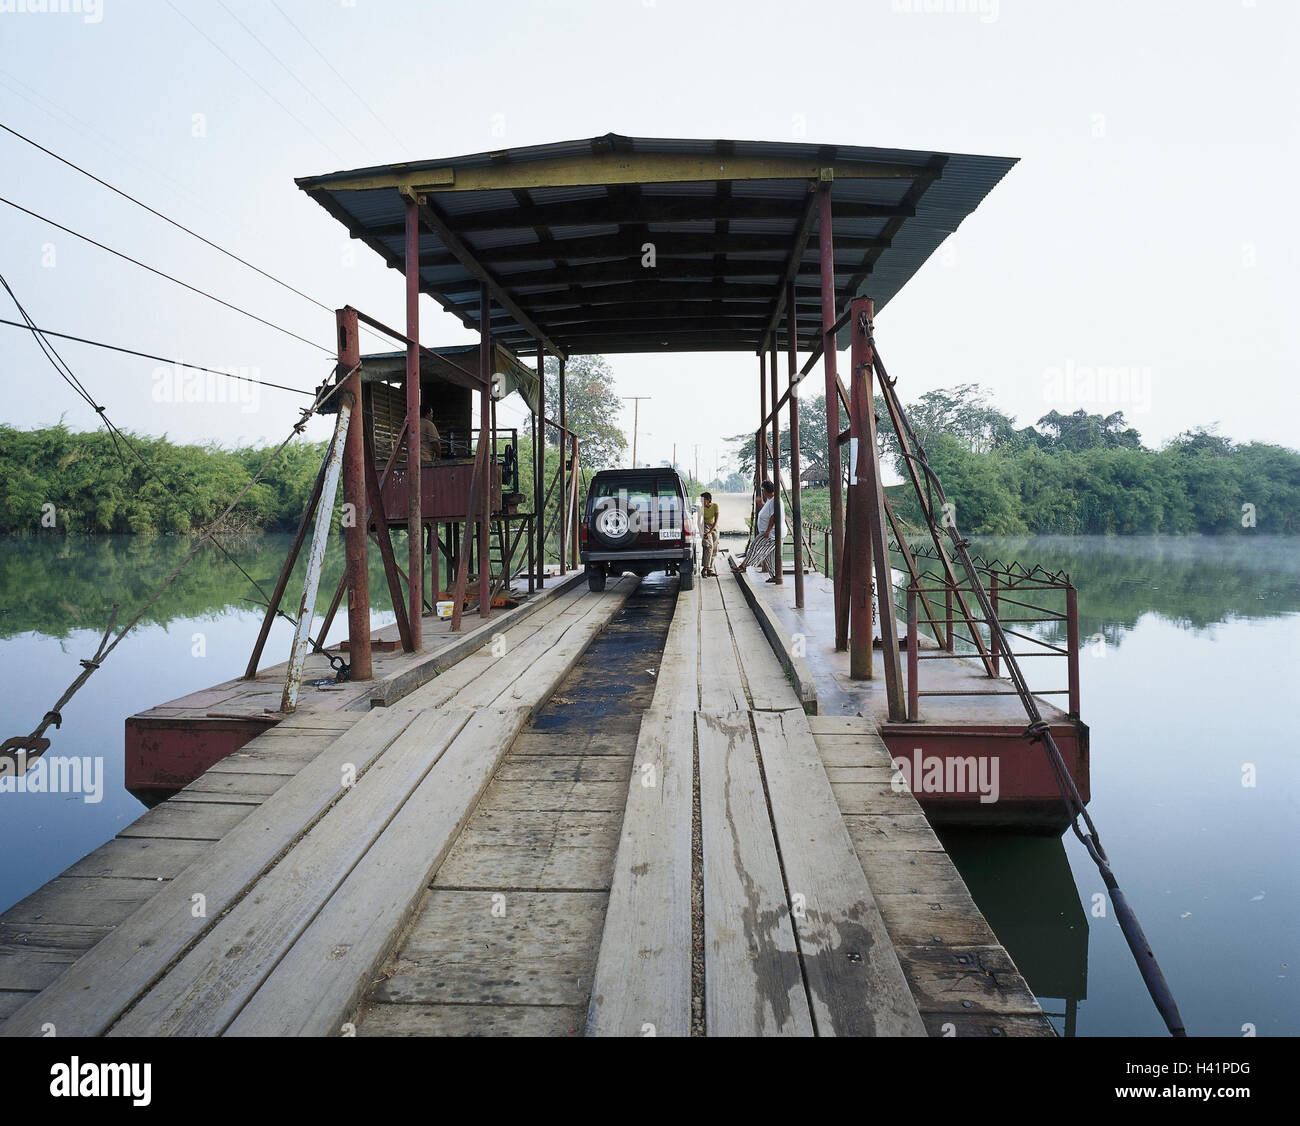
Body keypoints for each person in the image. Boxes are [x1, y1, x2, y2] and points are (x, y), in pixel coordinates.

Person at [732, 481, 782, 580]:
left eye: (762, 490)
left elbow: (774, 516)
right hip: (770, 532)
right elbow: (769, 510)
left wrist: (768, 530)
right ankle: (775, 576)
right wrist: (762, 503)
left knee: (754, 546)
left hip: (772, 533)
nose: (762, 492)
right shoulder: (771, 500)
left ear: (765, 490)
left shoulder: (775, 500)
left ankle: (743, 566)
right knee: (769, 556)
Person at [698, 491, 720, 577]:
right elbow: (698, 521)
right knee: (708, 546)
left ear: (708, 500)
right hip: (705, 526)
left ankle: (710, 569)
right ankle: (705, 569)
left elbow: (716, 520)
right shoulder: (701, 509)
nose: (701, 501)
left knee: (714, 548)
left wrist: (710, 531)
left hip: (714, 527)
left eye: (702, 500)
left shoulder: (715, 506)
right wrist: (701, 531)